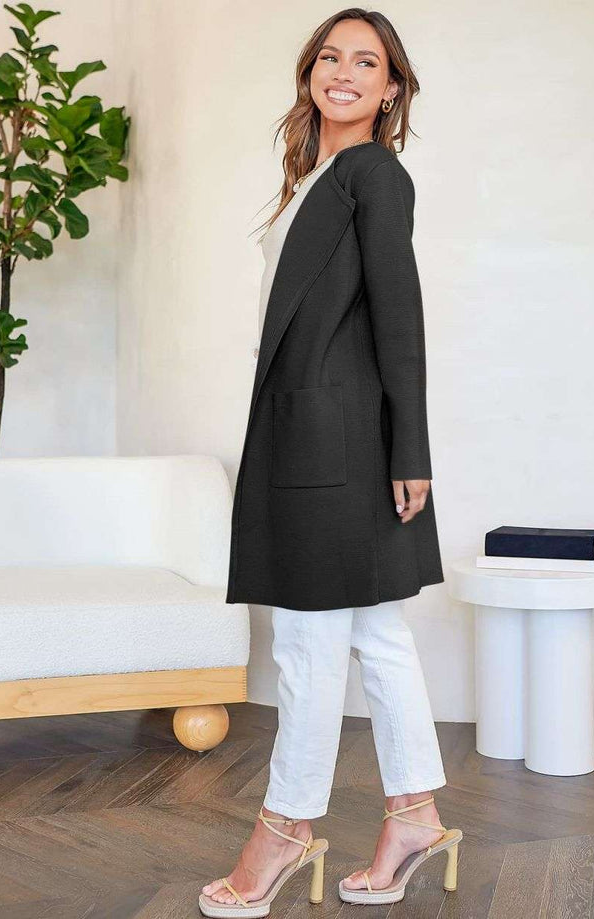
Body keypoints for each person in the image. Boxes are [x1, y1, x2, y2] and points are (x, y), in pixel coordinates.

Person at [200, 8, 460, 916]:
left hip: (337, 437)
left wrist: (410, 446)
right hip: (315, 428)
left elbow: (400, 312)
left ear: (391, 89)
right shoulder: (314, 176)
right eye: (330, 56)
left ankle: (283, 827)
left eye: (367, 62)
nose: (344, 72)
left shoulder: (373, 173)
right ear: (310, 72)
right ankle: (414, 815)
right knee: (375, 633)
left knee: (310, 641)